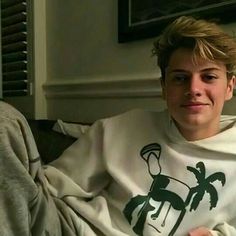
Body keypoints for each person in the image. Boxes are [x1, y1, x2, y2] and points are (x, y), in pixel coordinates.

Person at [1, 15, 236, 236]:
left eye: (209, 77)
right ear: (164, 87)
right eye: (180, 78)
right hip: (71, 227)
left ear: (229, 87)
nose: (194, 89)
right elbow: (50, 187)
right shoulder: (124, 127)